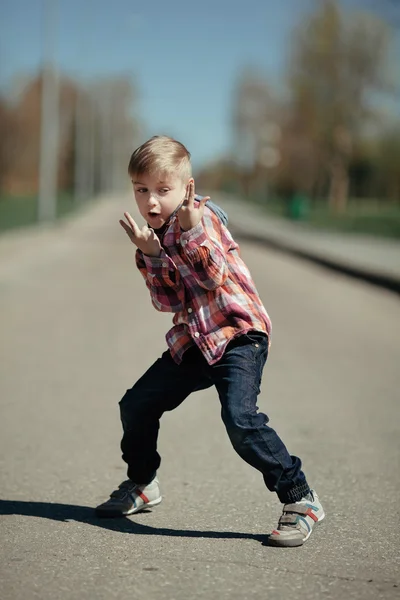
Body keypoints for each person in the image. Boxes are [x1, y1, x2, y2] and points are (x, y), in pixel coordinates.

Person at [95, 135, 325, 547]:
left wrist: (188, 232)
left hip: (238, 335)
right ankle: (143, 482)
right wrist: (150, 254)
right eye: (142, 190)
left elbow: (211, 277)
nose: (151, 202)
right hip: (195, 342)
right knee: (136, 404)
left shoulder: (204, 219)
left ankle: (300, 498)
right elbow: (167, 302)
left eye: (163, 191)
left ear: (188, 188)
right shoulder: (152, 235)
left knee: (240, 419)